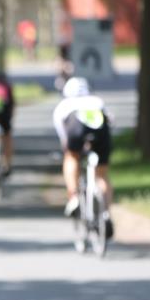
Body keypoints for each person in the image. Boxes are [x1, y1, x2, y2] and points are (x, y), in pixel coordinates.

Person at [53, 77, 114, 238]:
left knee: (71, 157)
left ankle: (73, 196)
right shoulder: (97, 101)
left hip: (76, 126)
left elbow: (63, 136)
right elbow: (110, 121)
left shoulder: (63, 106)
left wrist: (71, 150)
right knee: (102, 175)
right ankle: (106, 213)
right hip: (100, 131)